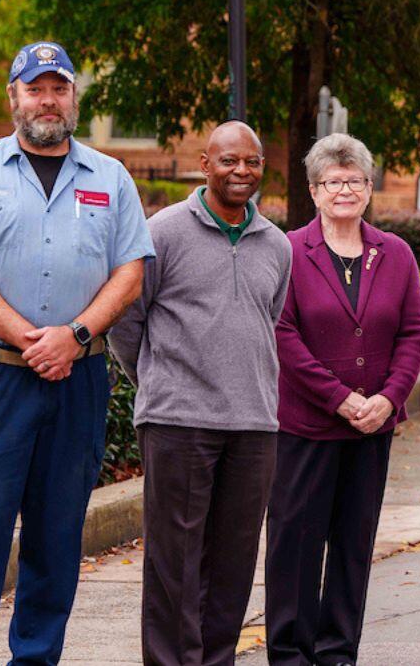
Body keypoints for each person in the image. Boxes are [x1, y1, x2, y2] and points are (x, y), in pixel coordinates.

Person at [0, 41, 154, 666]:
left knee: (56, 540)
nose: (47, 100)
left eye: (59, 88)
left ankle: (36, 659)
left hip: (77, 383)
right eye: (36, 88)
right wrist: (33, 338)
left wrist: (74, 337)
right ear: (13, 97)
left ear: (74, 97)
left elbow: (130, 271)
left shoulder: (110, 177)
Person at [107, 121, 292, 666]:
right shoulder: (161, 232)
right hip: (178, 421)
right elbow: (126, 321)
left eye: (252, 162)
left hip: (254, 424)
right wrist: (162, 381)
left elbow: (269, 319)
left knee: (233, 564)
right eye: (229, 161)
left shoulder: (276, 245)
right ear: (204, 163)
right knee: (175, 566)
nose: (241, 171)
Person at [263, 132, 420, 666]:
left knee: (353, 549)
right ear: (313, 191)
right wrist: (339, 399)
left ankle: (338, 652)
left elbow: (413, 332)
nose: (343, 190)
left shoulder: (396, 254)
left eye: (354, 180)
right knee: (295, 546)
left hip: (371, 431)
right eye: (332, 181)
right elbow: (282, 333)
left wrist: (389, 398)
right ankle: (290, 653)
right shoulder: (288, 251)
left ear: (368, 188)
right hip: (305, 428)